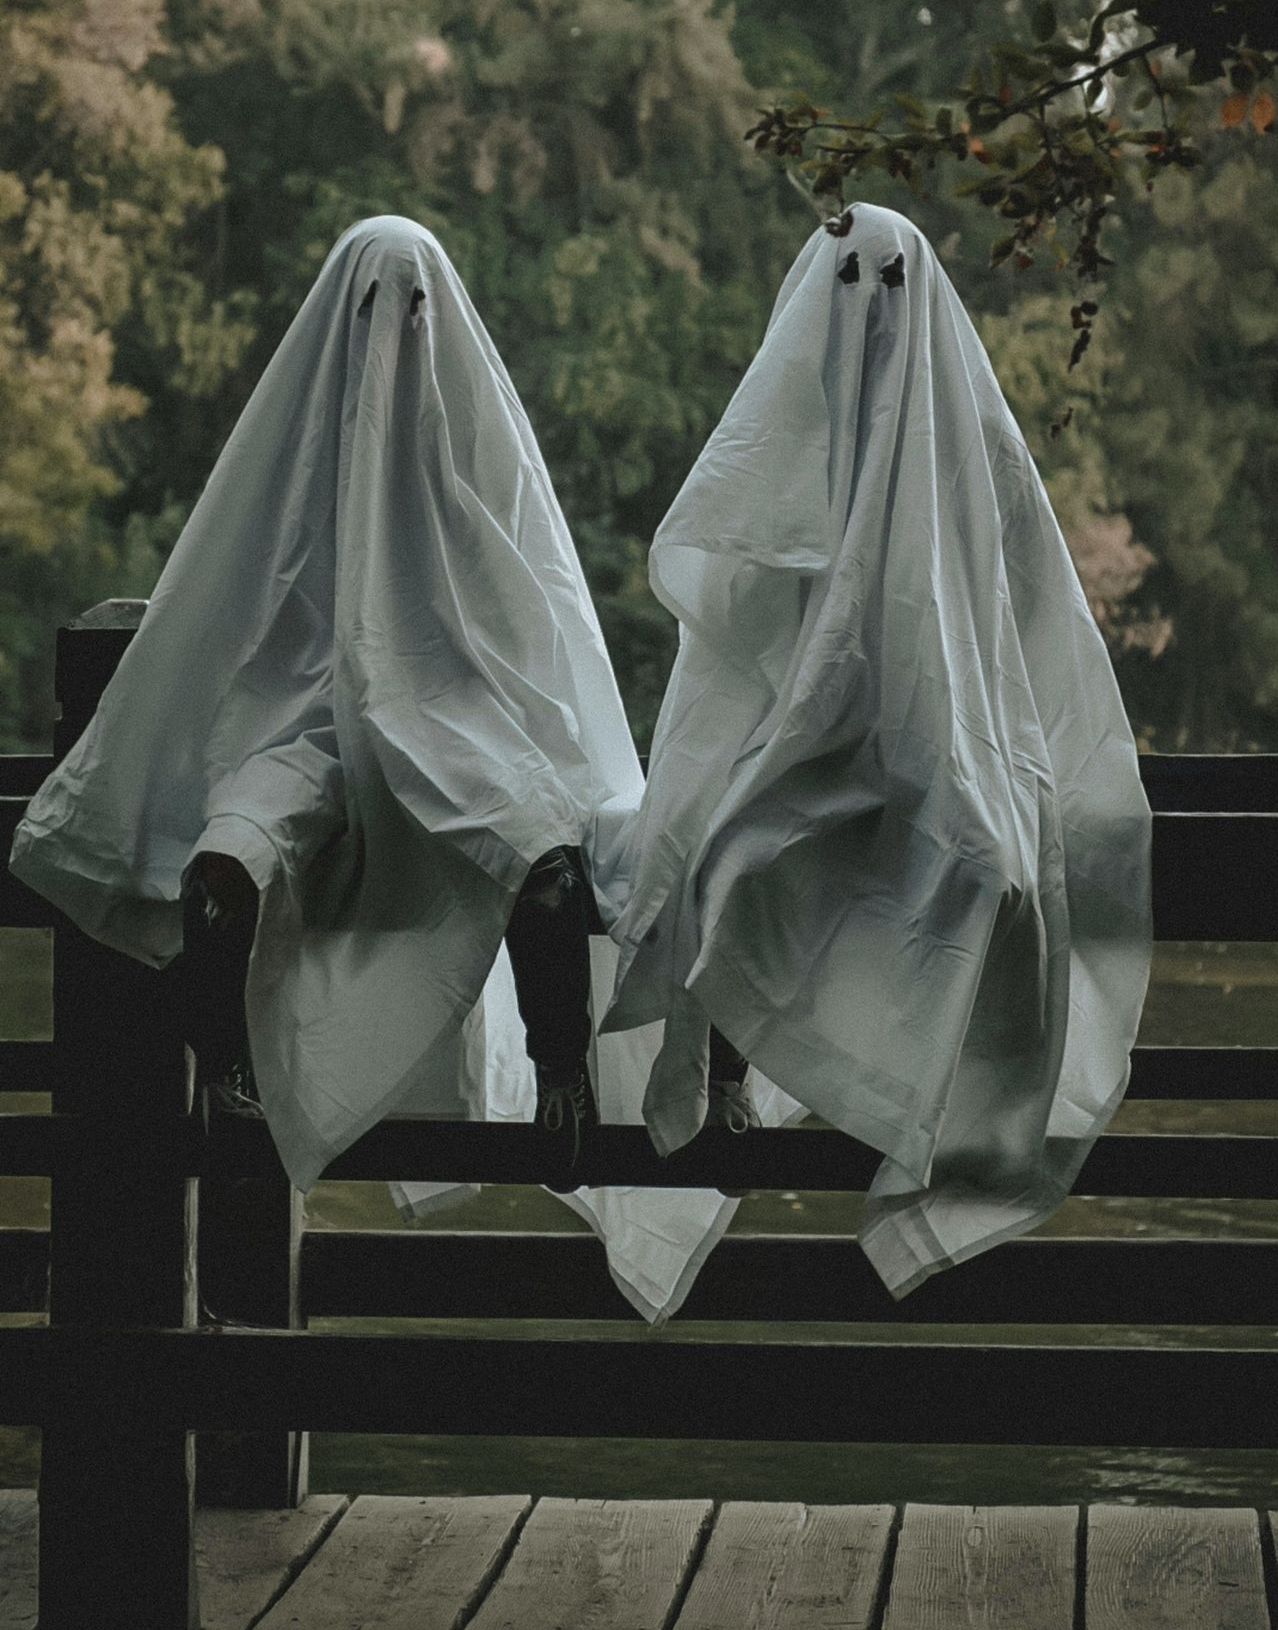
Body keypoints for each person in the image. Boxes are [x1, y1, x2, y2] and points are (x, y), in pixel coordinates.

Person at [9, 214, 744, 1320]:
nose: (392, 334)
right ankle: (237, 1072)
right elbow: (234, 620)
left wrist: (494, 728)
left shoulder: (472, 458)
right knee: (220, 874)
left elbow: (530, 625)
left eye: (410, 309)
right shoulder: (295, 462)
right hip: (308, 736)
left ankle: (561, 1074)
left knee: (543, 864)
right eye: (373, 308)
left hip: (461, 734)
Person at [600, 202, 1154, 1301]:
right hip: (795, 746)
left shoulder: (962, 446)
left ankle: (922, 1128)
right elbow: (732, 651)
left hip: (931, 744)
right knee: (725, 851)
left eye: (889, 288)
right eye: (849, 288)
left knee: (989, 869)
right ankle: (734, 1079)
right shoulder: (781, 445)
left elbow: (1012, 633)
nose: (870, 316)